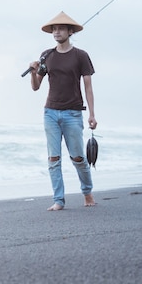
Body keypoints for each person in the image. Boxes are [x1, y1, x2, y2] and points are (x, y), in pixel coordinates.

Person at [29, 11, 97, 211]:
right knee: (53, 158)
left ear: (70, 31)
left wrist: (92, 114)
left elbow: (88, 87)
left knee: (78, 157)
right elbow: (35, 87)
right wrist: (34, 72)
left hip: (73, 113)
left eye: (60, 29)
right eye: (54, 29)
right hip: (50, 112)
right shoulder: (46, 55)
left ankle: (87, 192)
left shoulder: (81, 56)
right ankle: (59, 200)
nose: (56, 32)